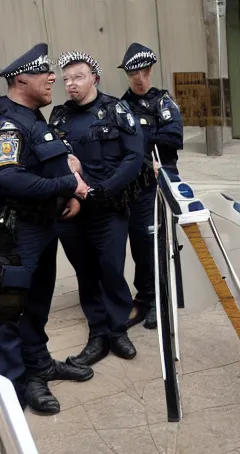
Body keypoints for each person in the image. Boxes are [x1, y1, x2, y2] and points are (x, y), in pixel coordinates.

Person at [0, 43, 93, 414]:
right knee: (10, 313)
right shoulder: (9, 123)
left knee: (38, 305)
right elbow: (9, 180)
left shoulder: (35, 117)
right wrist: (67, 186)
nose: (53, 77)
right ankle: (16, 388)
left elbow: (49, 163)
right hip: (16, 236)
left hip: (43, 226)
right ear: (20, 78)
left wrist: (67, 195)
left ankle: (39, 364)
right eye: (44, 72)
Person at [49, 51, 144, 367]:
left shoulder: (117, 110)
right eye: (66, 80)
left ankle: (118, 330)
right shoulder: (59, 116)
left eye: (77, 77)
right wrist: (73, 189)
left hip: (108, 207)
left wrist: (99, 189)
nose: (71, 84)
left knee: (111, 269)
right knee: (86, 273)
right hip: (73, 212)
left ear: (95, 78)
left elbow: (134, 158)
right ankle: (98, 333)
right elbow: (54, 161)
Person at [118, 42, 184, 330]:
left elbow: (173, 138)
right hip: (133, 187)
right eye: (133, 73)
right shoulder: (120, 106)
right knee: (138, 244)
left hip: (160, 183)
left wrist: (141, 142)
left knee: (159, 243)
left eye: (144, 71)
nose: (139, 78)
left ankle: (160, 299)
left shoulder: (164, 103)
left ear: (151, 70)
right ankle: (144, 297)